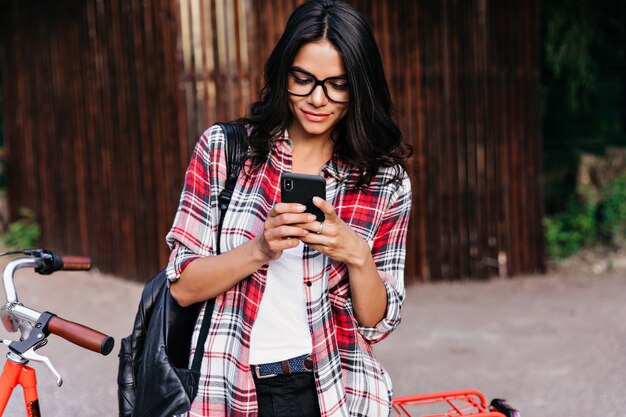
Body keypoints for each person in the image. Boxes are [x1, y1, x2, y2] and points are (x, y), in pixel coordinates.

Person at [165, 1, 412, 416]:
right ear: (283, 74)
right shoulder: (224, 151)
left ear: (360, 87)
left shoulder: (383, 181)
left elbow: (376, 323)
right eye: (303, 79)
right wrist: (261, 248)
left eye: (338, 84)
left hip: (334, 390)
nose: (318, 99)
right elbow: (183, 286)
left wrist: (356, 255)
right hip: (228, 386)